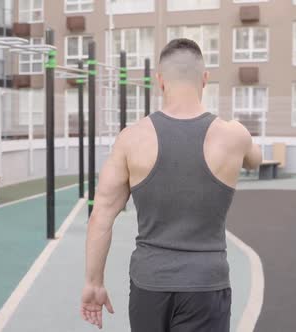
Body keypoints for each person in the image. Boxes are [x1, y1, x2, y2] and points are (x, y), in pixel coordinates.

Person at [81, 38, 263, 331]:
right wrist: (240, 135)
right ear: (205, 79)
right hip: (206, 285)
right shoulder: (234, 135)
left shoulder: (131, 139)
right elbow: (255, 159)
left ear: (160, 81)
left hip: (149, 285)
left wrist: (93, 283)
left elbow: (100, 216)